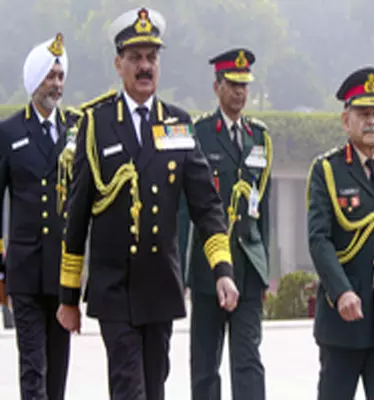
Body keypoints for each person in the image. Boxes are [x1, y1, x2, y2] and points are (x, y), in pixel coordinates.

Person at [54, 8, 239, 400]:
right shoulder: (95, 123)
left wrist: (222, 270)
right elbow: (77, 214)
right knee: (129, 388)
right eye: (135, 57)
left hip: (160, 287)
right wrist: (69, 297)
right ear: (118, 64)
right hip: (113, 287)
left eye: (151, 57)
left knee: (154, 387)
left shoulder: (178, 125)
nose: (144, 66)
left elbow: (207, 207)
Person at [306, 66, 374, 400]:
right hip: (344, 322)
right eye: (363, 113)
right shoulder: (328, 170)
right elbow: (319, 239)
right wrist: (341, 292)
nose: (371, 121)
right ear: (345, 120)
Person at [178, 48, 271, 400]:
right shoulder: (200, 133)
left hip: (248, 266)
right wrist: (182, 271)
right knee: (205, 363)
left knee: (248, 359)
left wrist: (265, 269)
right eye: (232, 84)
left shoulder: (259, 138)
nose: (240, 93)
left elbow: (264, 207)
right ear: (216, 86)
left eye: (244, 85)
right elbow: (186, 210)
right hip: (208, 268)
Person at [0, 32, 81, 400]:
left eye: (61, 77)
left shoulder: (75, 130)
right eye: (50, 76)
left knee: (58, 367)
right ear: (35, 80)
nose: (57, 84)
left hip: (62, 269)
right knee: (33, 366)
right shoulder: (10, 132)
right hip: (26, 267)